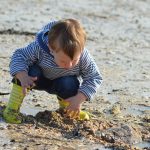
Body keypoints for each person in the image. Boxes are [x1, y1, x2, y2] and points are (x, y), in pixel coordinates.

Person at [3, 18, 102, 124]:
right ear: (51, 48)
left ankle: (67, 111)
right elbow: (19, 55)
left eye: (74, 61)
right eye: (63, 61)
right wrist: (21, 75)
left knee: (69, 82)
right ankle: (12, 109)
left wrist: (79, 98)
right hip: (36, 79)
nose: (69, 66)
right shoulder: (39, 48)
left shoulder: (84, 57)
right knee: (29, 70)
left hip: (62, 83)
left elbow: (94, 77)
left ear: (81, 50)